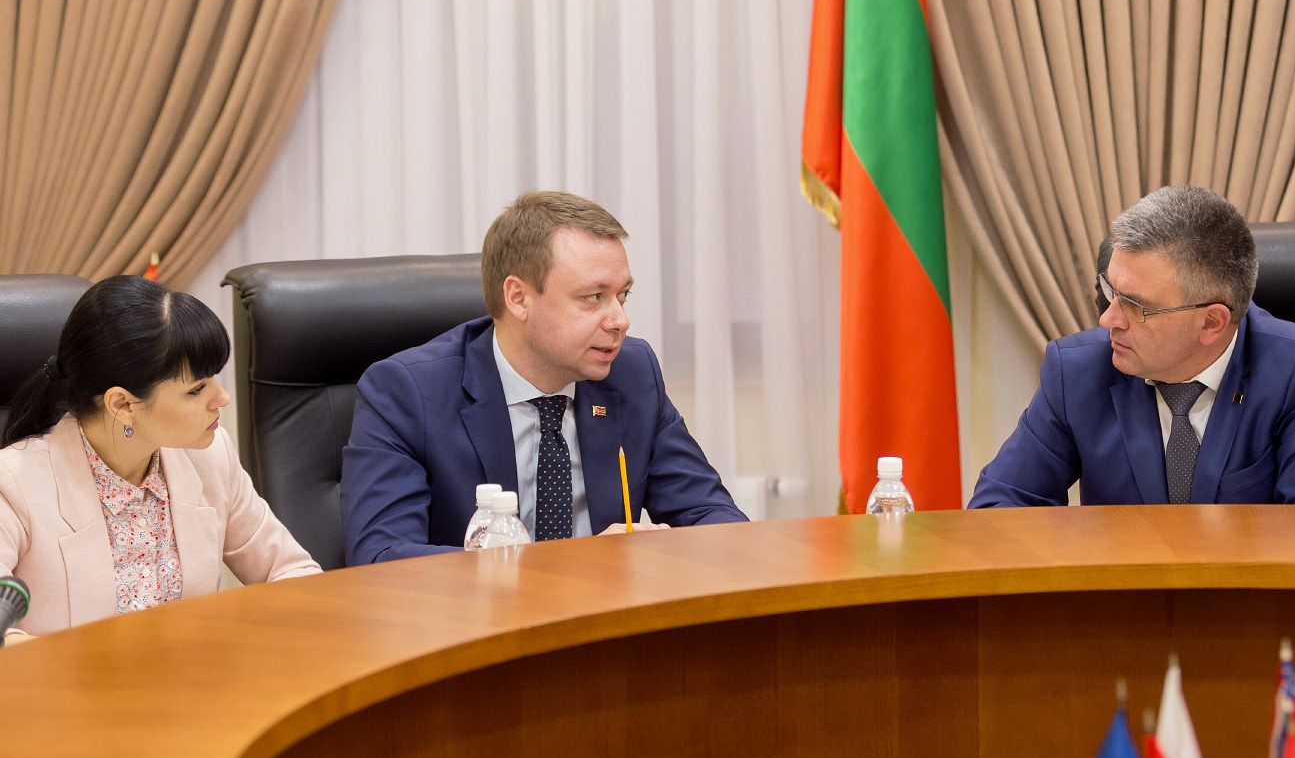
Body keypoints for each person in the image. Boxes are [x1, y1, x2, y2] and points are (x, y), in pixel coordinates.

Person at [342, 191, 746, 564]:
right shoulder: (407, 392)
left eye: (622, 295)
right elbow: (381, 556)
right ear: (518, 298)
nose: (620, 321)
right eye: (593, 297)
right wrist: (578, 564)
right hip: (481, 616)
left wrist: (665, 550)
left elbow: (715, 516)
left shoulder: (632, 372)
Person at [969, 185, 1295, 508]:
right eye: (1110, 291)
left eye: (1135, 305)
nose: (1108, 319)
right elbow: (999, 507)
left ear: (1211, 322)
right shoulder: (1077, 371)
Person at [0, 277, 321, 642]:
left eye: (213, 378)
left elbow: (292, 573)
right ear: (122, 404)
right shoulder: (14, 485)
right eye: (196, 389)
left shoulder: (210, 456)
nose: (222, 398)